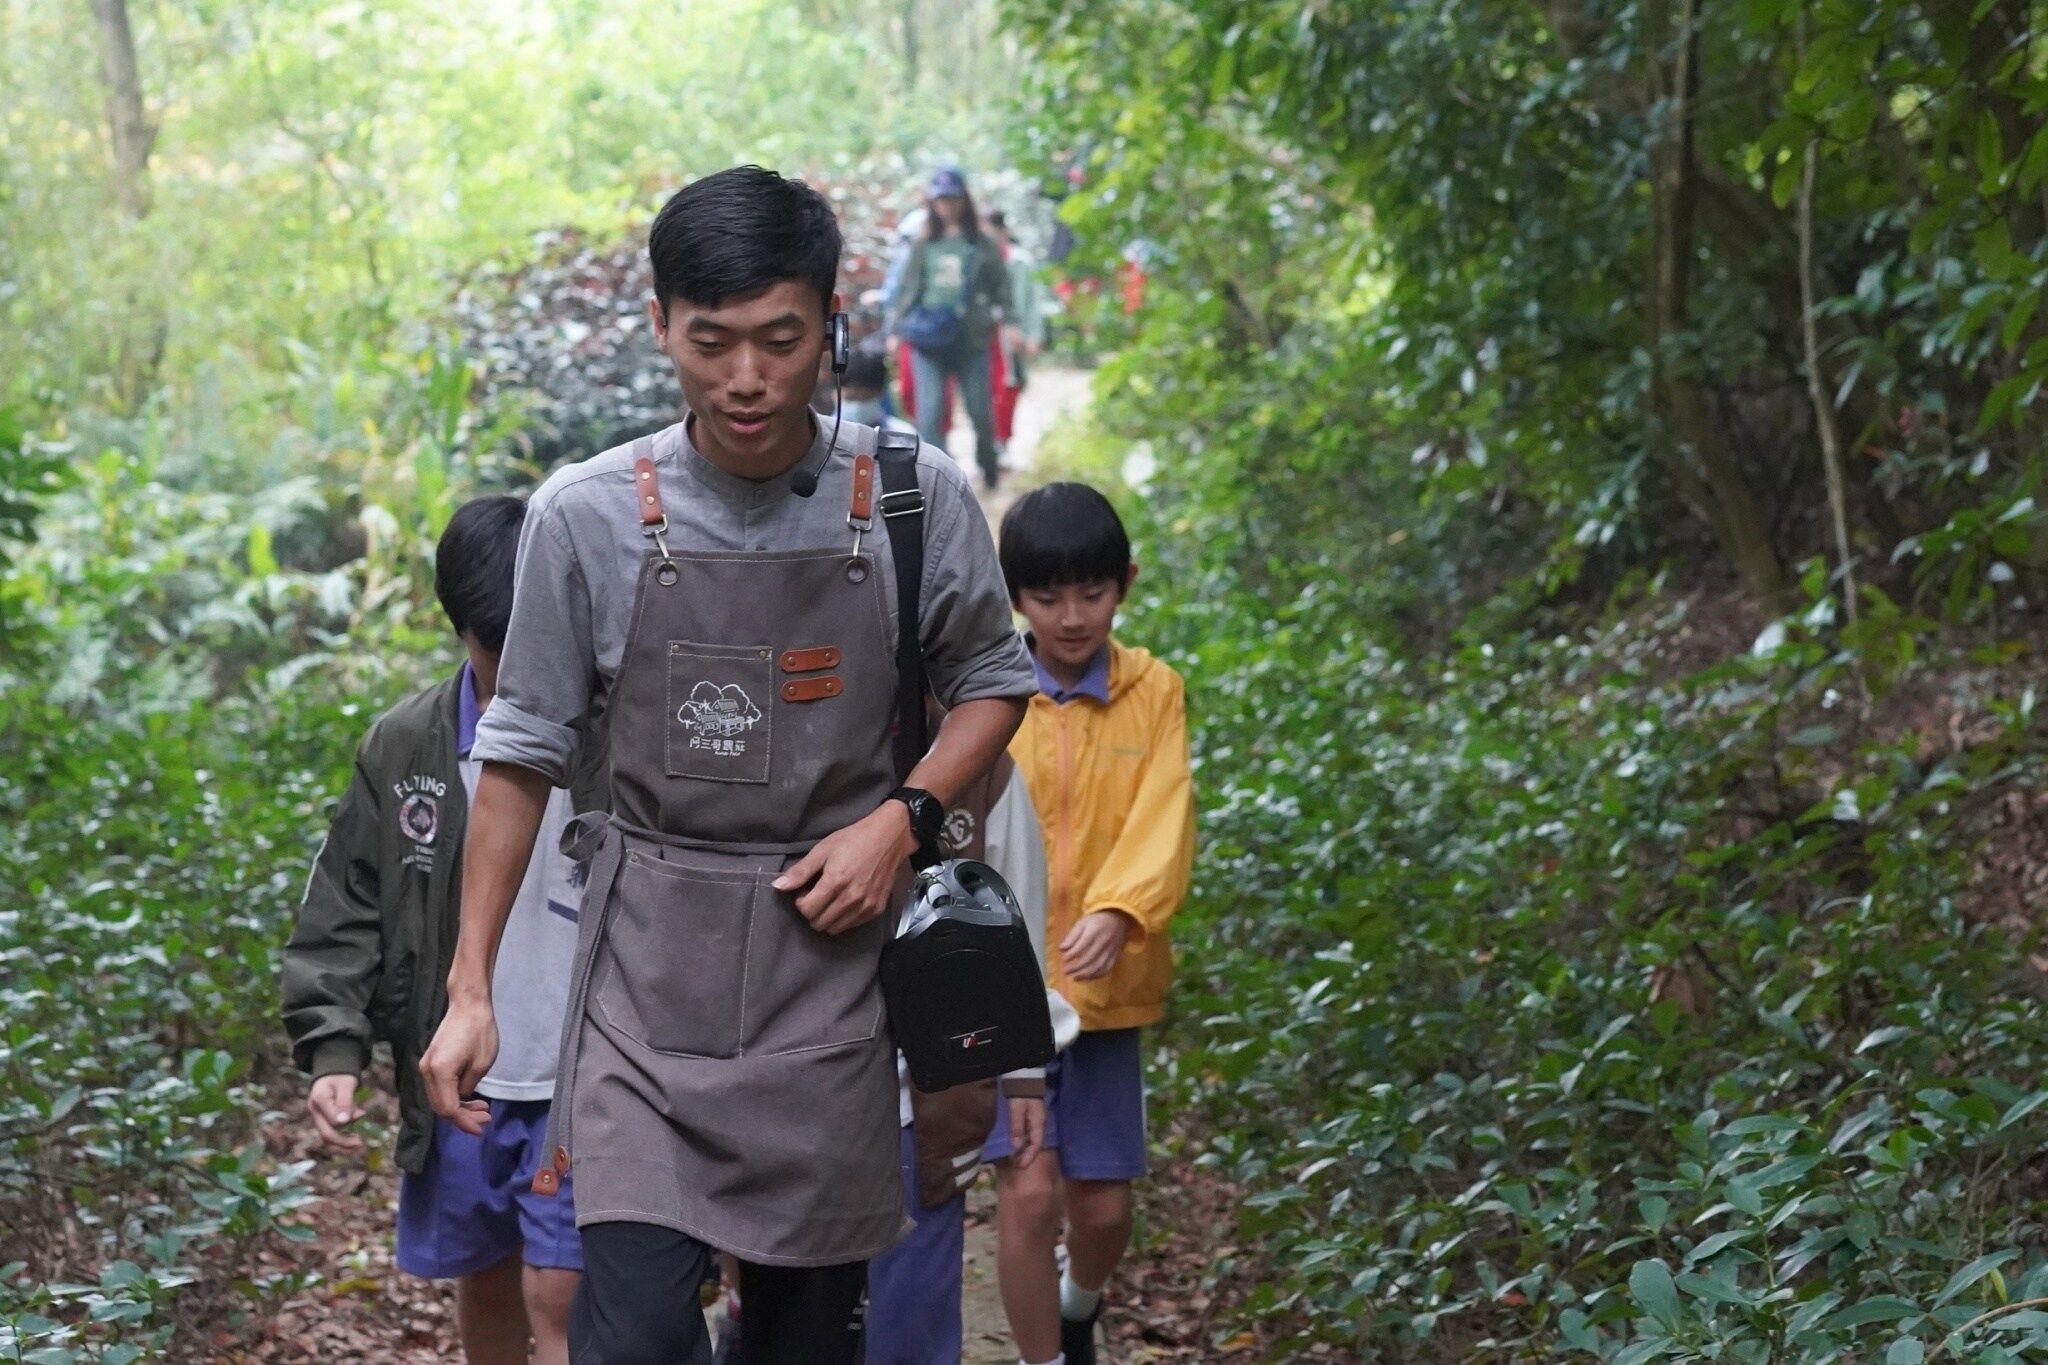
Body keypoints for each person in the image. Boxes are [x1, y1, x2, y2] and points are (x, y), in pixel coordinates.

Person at [418, 165, 1036, 1365]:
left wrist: (897, 824)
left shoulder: (910, 499)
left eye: (779, 340)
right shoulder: (584, 517)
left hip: (835, 978)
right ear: (661, 327)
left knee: (805, 1339)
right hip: (645, 985)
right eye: (710, 343)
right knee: (635, 1337)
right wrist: (472, 988)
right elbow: (520, 750)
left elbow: (992, 686)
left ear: (829, 326)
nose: (745, 378)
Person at [283, 495, 594, 1365]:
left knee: (562, 1285)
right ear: (461, 627)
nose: (525, 668)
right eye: (502, 650)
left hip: (582, 1072)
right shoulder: (407, 747)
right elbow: (343, 906)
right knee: (485, 1272)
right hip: (460, 1075)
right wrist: (334, 1052)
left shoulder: (611, 735)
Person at [986, 483, 1197, 1365]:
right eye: (1047, 596)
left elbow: (1166, 811)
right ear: (1014, 597)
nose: (1072, 616)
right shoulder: (987, 690)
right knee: (1028, 1198)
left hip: (1108, 994)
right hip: (1009, 993)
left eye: (1093, 593)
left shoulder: (1154, 691)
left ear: (1126, 585)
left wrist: (1123, 909)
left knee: (1103, 1209)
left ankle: (1080, 1302)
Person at [862, 748, 1079, 1365]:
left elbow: (1016, 914)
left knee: (914, 1300)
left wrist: (1024, 1074)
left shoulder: (985, 768)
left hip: (930, 1088)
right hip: (807, 1077)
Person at [887, 167, 1013, 490]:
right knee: (929, 414)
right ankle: (940, 481)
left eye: (952, 198)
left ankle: (988, 465)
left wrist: (1010, 323)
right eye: (941, 199)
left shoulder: (981, 242)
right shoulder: (924, 242)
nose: (947, 205)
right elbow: (908, 289)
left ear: (963, 199)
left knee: (979, 411)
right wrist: (895, 330)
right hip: (929, 338)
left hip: (972, 339)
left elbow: (1002, 287)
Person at [984, 210, 1048, 462]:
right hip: (984, 337)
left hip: (1012, 337)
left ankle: (1003, 441)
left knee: (1010, 388)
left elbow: (1033, 300)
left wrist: (1033, 335)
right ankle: (989, 443)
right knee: (986, 391)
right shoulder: (978, 259)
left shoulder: (1020, 261)